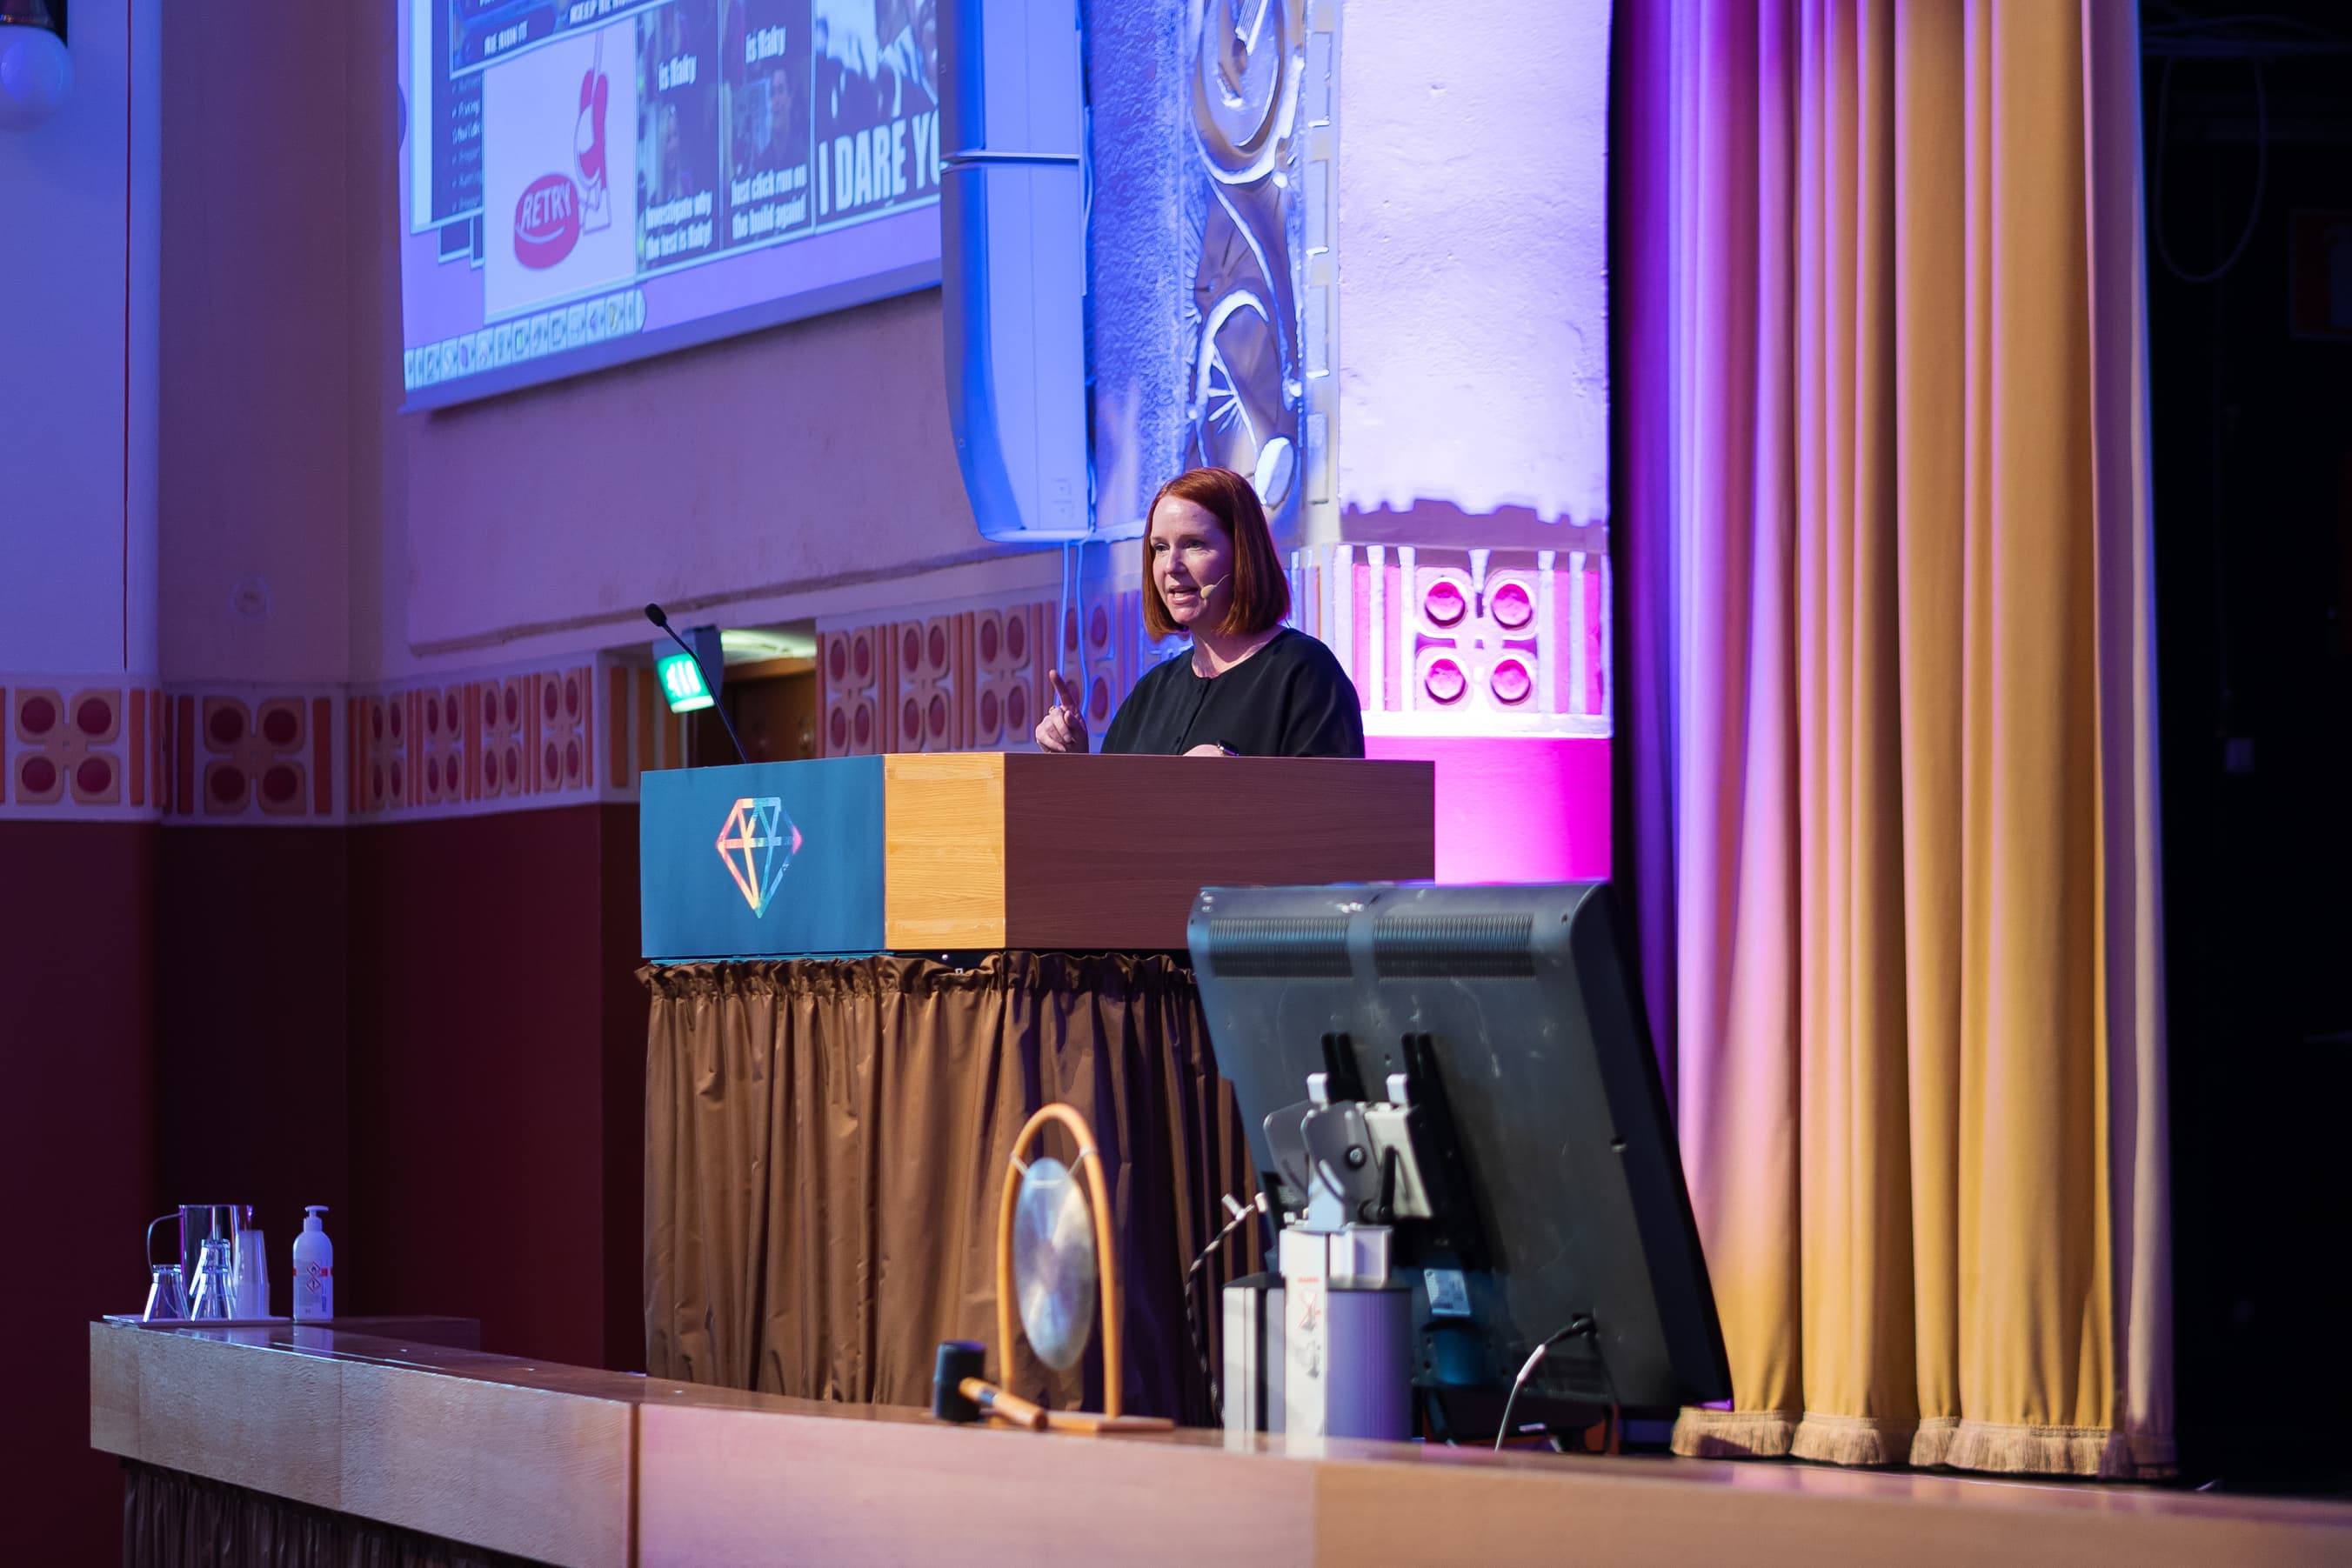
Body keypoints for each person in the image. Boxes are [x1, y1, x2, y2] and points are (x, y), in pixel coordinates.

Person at [1035, 467, 1365, 757]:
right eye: (1160, 547)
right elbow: (1115, 804)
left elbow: (1336, 804)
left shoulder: (1305, 672)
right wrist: (1076, 760)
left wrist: (1230, 782)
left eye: (1194, 544)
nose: (1171, 565)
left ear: (1243, 555)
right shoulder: (1152, 691)